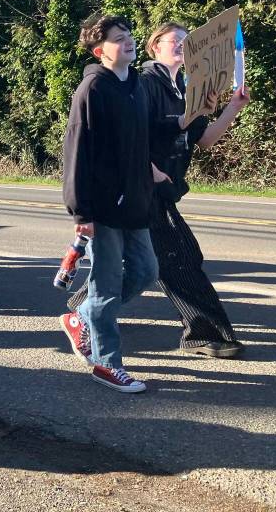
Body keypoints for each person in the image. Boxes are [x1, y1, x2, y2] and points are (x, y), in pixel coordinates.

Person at [67, 22, 250, 359]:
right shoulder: (144, 82)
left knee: (154, 262)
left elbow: (204, 138)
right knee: (175, 259)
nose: (182, 45)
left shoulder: (186, 87)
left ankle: (84, 307)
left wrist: (232, 107)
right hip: (143, 187)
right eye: (174, 40)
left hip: (165, 189)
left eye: (186, 40)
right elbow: (134, 135)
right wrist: (147, 169)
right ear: (155, 46)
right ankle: (204, 333)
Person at [59, 14, 164, 394]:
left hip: (136, 201)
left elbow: (142, 138)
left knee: (146, 270)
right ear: (98, 49)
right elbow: (76, 153)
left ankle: (81, 318)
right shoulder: (92, 90)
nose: (129, 41)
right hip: (102, 207)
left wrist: (149, 169)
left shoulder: (137, 85)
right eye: (119, 38)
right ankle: (106, 364)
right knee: (105, 287)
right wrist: (81, 212)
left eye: (129, 35)